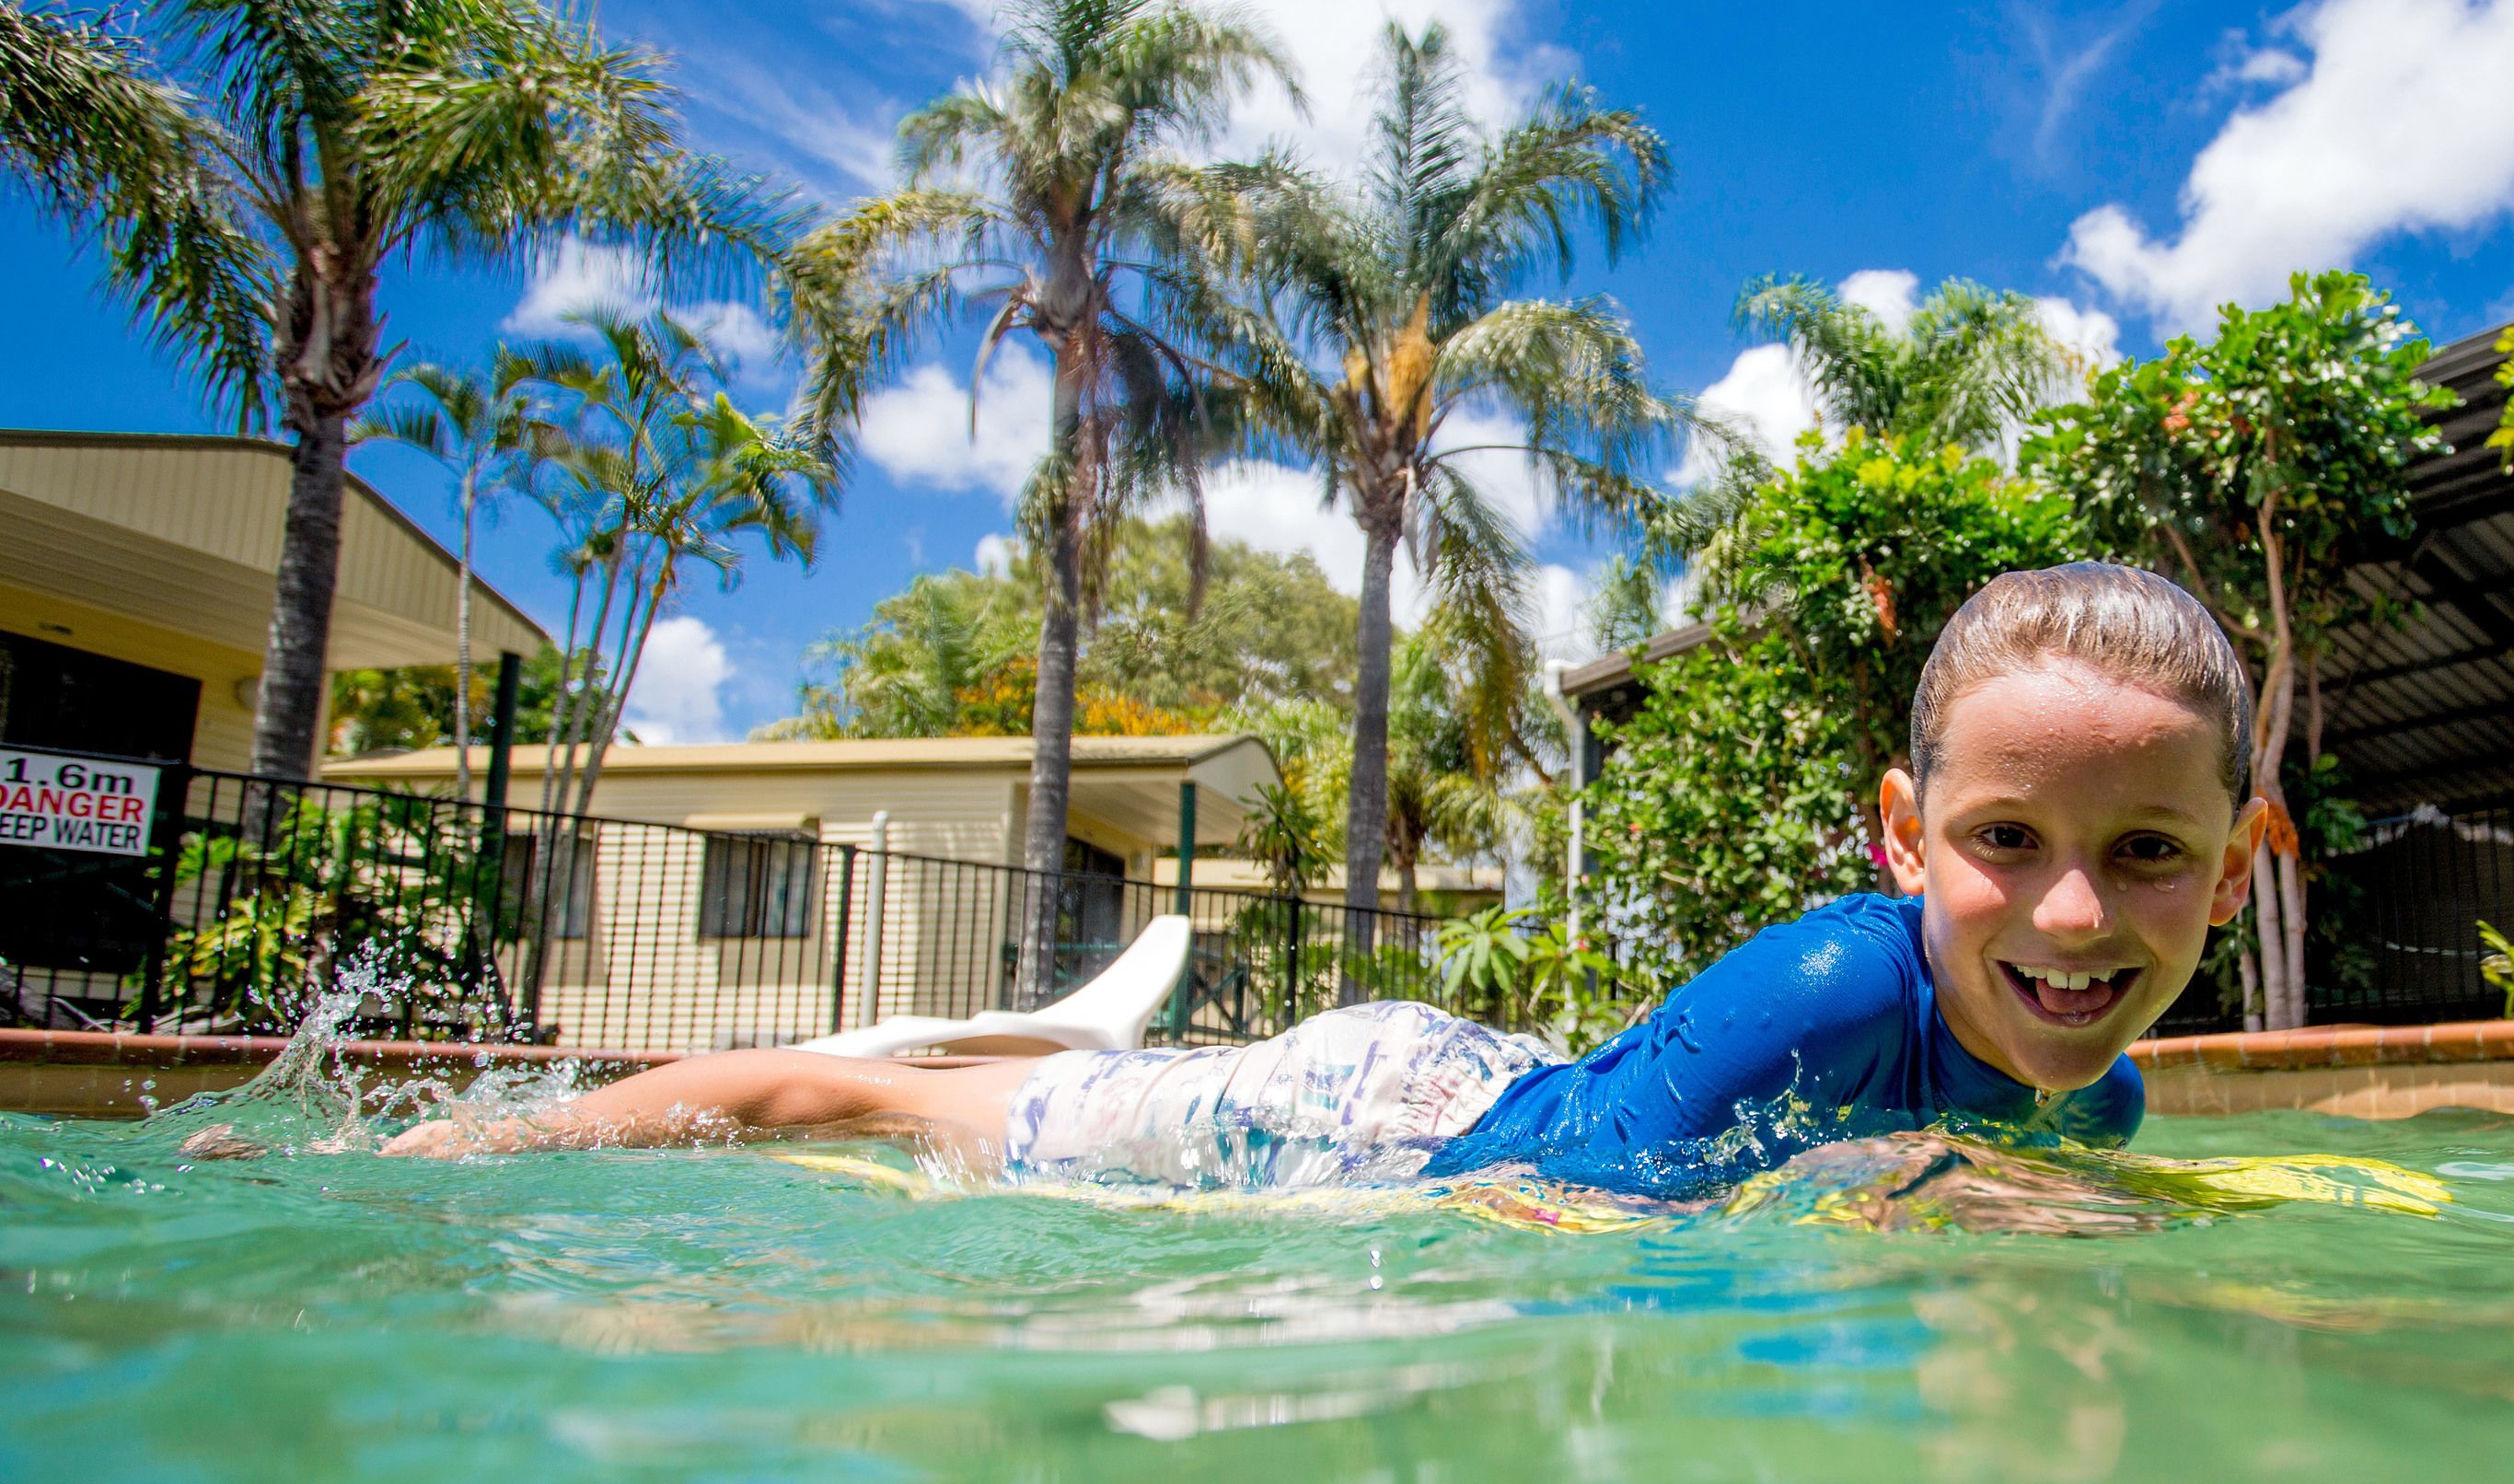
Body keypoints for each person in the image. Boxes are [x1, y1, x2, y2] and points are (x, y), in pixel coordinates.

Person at [388, 562, 2266, 1206]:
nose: (2075, 917)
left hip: (1502, 1063)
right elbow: (1533, 1216)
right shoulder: (1841, 988)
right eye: (2005, 839)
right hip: (1366, 1121)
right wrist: (1896, 1209)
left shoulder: (2092, 1094)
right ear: (1896, 834)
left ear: (2230, 869)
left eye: (2149, 853)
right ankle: (455, 1148)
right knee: (872, 1103)